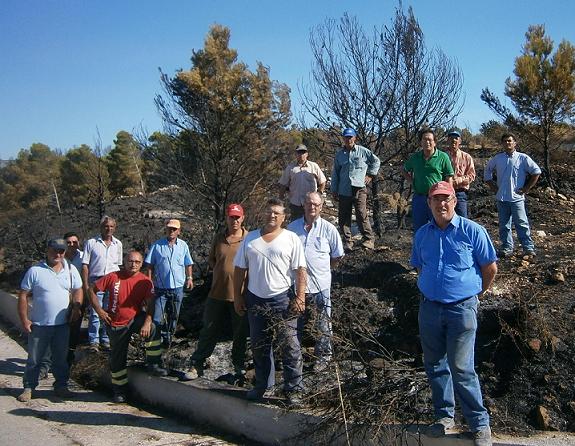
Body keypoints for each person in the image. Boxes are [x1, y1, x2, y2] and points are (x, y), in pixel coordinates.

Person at [410, 181, 497, 446]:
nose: (442, 204)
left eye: (446, 198)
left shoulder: (473, 231)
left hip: (462, 308)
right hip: (429, 308)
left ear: (454, 201)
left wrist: (474, 296)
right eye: (436, 199)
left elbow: (490, 268)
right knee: (435, 364)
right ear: (429, 203)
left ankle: (479, 424)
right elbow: (418, 266)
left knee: (461, 367)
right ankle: (444, 417)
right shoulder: (422, 234)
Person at [233, 198, 307, 406]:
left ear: (284, 217)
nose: (272, 215)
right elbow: (239, 270)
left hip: (282, 299)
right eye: (269, 211)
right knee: (259, 345)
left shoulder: (291, 239)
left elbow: (301, 270)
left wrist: (301, 297)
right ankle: (263, 385)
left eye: (276, 212)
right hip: (255, 298)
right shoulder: (251, 239)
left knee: (290, 345)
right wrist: (238, 296)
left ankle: (294, 390)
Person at [89, 250, 167, 403]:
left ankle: (153, 363)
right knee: (118, 359)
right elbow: (91, 290)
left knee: (153, 329)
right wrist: (100, 311)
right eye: (130, 261)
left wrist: (147, 321)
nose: (133, 264)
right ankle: (120, 390)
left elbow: (151, 304)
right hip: (115, 323)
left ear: (141, 264)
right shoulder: (113, 277)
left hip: (134, 319)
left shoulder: (145, 281)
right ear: (124, 262)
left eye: (137, 262)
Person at [182, 204, 249, 380]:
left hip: (239, 295)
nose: (234, 220)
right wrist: (222, 272)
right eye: (231, 217)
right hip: (217, 292)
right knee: (209, 329)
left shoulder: (249, 239)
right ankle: (197, 364)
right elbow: (212, 260)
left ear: (243, 218)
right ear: (226, 218)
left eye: (237, 217)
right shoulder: (219, 238)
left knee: (240, 333)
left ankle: (239, 367)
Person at [17, 238, 83, 402]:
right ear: (48, 250)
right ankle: (29, 387)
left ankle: (61, 386)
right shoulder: (35, 271)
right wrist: (25, 319)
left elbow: (78, 289)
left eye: (61, 251)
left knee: (61, 359)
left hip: (62, 325)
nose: (58, 254)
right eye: (55, 250)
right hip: (39, 325)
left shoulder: (70, 270)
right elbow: (23, 295)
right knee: (34, 359)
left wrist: (76, 306)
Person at [287, 192, 344, 371]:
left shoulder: (329, 229)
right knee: (295, 323)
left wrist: (324, 269)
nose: (312, 207)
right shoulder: (292, 228)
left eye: (316, 204)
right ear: (303, 204)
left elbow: (337, 256)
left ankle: (323, 357)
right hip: (296, 287)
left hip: (321, 285)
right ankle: (293, 358)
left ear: (321, 207)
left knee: (323, 322)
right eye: (309, 203)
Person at [484, 133, 541, 257]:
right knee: (504, 225)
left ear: (515, 143)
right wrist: (493, 187)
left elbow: (536, 172)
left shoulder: (523, 158)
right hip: (502, 198)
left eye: (510, 141)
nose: (508, 143)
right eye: (505, 141)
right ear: (502, 143)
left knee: (522, 223)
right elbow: (487, 171)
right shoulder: (497, 158)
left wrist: (526, 188)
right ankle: (507, 248)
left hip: (517, 198)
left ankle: (528, 248)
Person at [144, 219, 194, 347]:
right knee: (157, 316)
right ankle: (154, 340)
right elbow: (150, 264)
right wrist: (149, 281)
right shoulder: (157, 245)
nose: (171, 231)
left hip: (177, 288)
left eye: (174, 229)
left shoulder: (183, 246)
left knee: (174, 316)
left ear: (179, 231)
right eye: (169, 229)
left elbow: (188, 263)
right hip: (160, 288)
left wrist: (189, 278)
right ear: (165, 229)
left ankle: (168, 339)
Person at [331, 128, 381, 251]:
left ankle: (368, 239)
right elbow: (335, 173)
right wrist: (334, 189)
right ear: (343, 138)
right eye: (346, 137)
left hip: (359, 188)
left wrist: (370, 175)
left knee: (361, 213)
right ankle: (348, 241)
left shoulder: (363, 152)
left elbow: (376, 161)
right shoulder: (339, 155)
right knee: (343, 216)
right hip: (344, 189)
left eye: (350, 137)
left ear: (355, 138)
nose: (348, 139)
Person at [82, 216, 123, 350]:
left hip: (112, 281)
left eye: (111, 226)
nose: (109, 229)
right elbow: (85, 265)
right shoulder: (91, 243)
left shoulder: (118, 244)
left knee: (109, 310)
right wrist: (86, 285)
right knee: (95, 312)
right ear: (101, 227)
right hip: (96, 281)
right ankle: (94, 341)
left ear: (114, 228)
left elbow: (119, 265)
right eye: (106, 226)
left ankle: (106, 339)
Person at [403, 129, 454, 232]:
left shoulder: (443, 157)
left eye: (430, 140)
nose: (427, 142)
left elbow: (449, 177)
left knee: (439, 226)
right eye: (424, 139)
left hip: (437, 199)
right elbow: (404, 170)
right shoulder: (415, 157)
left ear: (435, 142)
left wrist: (450, 195)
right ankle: (420, 248)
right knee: (419, 229)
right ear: (420, 142)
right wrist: (413, 182)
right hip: (419, 198)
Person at [278, 144, 327, 221]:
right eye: (299, 152)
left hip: (311, 204)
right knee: (295, 226)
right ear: (295, 154)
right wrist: (280, 201)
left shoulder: (314, 166)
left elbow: (323, 181)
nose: (301, 154)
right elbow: (283, 184)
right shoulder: (290, 168)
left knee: (312, 224)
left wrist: (319, 194)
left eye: (303, 152)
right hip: (295, 204)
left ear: (307, 154)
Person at [445, 130, 476, 218]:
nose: (453, 140)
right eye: (451, 138)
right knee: (445, 220)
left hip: (460, 193)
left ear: (460, 141)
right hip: (445, 193)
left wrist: (459, 180)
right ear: (447, 140)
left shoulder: (467, 157)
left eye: (456, 138)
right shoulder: (442, 156)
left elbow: (472, 175)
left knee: (462, 220)